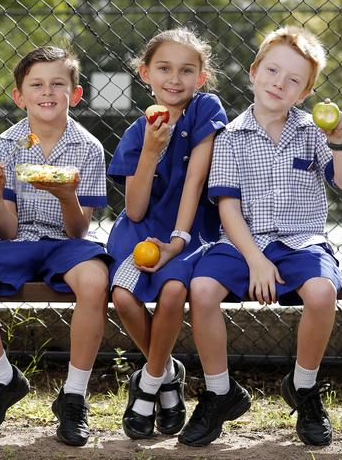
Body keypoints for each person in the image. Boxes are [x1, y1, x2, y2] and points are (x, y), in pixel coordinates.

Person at [180, 26, 342, 447]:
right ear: (254, 73)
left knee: (320, 293)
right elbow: (228, 208)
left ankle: (304, 385)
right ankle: (219, 391)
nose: (280, 83)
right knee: (202, 289)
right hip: (243, 243)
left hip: (301, 241)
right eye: (273, 71)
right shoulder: (230, 138)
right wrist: (257, 260)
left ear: (305, 92)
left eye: (294, 79)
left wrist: (339, 141)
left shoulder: (315, 131)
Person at [0, 46, 110, 447]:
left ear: (75, 94)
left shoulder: (89, 148)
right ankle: (3, 379)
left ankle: (73, 395)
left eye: (58, 84)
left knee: (94, 282)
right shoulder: (6, 145)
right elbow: (6, 231)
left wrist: (66, 196)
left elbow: (78, 231)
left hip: (66, 242)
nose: (47, 92)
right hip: (19, 238)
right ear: (20, 96)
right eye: (36, 84)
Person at [107, 28, 228, 440]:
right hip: (142, 230)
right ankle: (168, 375)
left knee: (175, 292)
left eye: (186, 70)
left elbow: (195, 182)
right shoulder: (138, 133)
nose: (174, 79)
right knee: (123, 295)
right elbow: (135, 208)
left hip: (191, 230)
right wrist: (150, 151)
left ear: (201, 77)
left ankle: (147, 385)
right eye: (164, 68)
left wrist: (177, 242)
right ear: (145, 73)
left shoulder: (205, 110)